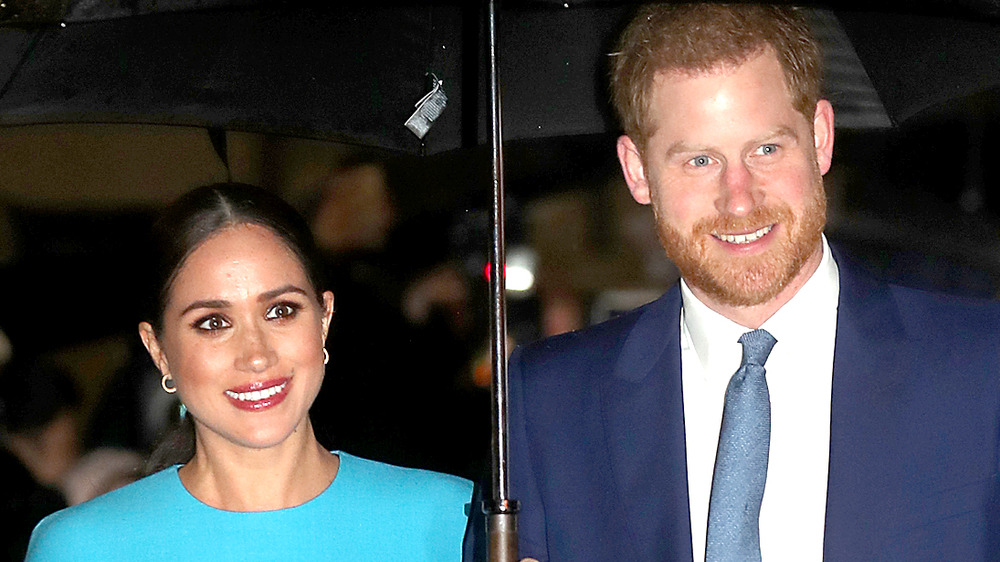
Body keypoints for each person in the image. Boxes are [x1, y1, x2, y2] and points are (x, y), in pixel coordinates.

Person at [488, 4, 1000, 561]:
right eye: (700, 160)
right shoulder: (548, 404)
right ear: (638, 171)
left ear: (821, 137)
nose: (739, 197)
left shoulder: (982, 366)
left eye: (766, 149)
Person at [26, 183, 473, 561]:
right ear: (158, 350)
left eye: (280, 311)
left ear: (324, 319)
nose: (256, 355)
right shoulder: (83, 547)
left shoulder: (456, 520)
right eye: (213, 323)